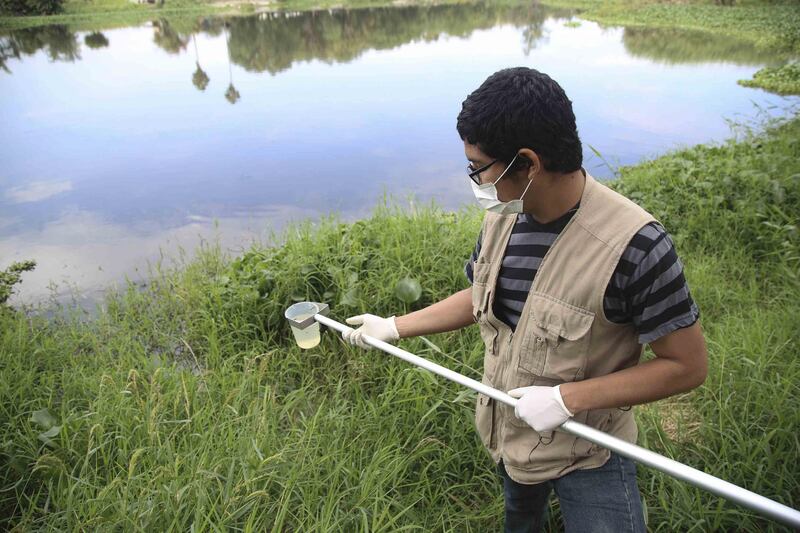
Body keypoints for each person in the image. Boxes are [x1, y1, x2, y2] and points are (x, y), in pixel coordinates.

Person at [341, 67, 708, 533]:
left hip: (588, 448)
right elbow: (481, 294)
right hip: (511, 437)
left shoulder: (637, 246)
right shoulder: (505, 215)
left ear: (529, 164)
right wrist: (394, 326)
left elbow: (686, 366)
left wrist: (568, 399)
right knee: (520, 519)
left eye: (479, 167)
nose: (475, 179)